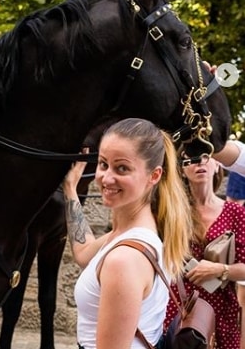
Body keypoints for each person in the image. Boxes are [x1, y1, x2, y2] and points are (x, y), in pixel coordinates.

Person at [63, 118, 192, 349]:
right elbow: (83, 252)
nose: (106, 178)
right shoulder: (139, 233)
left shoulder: (124, 260)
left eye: (122, 168)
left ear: (154, 176)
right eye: (103, 164)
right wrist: (70, 191)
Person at [163, 155, 245, 349]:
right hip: (181, 309)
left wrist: (220, 269)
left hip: (223, 311)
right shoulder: (173, 212)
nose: (199, 162)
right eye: (190, 159)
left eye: (206, 156)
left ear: (217, 164)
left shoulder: (236, 213)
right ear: (181, 170)